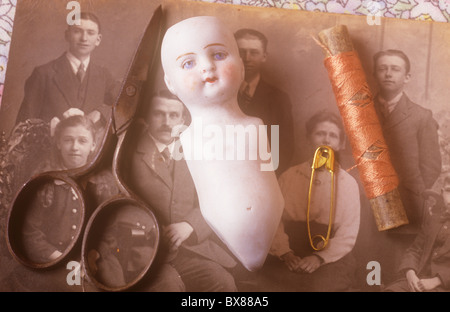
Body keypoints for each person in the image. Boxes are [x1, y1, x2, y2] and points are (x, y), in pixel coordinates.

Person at [160, 16, 284, 272]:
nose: (206, 67)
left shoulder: (256, 126)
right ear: (170, 83)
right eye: (188, 63)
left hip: (271, 238)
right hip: (214, 244)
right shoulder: (186, 139)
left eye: (218, 55)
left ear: (239, 65)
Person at [127, 91, 238, 292]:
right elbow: (119, 209)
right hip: (144, 253)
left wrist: (190, 226)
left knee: (223, 282)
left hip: (190, 250)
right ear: (146, 116)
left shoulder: (196, 153)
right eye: (158, 114)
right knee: (168, 286)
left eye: (173, 116)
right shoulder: (128, 155)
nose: (167, 122)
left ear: (183, 119)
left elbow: (215, 200)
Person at [266, 111, 360, 291]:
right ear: (309, 139)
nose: (326, 140)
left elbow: (347, 233)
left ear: (340, 144)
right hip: (290, 252)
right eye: (320, 133)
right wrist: (285, 253)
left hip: (331, 257)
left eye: (333, 136)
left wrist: (319, 258)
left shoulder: (347, 184)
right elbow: (273, 221)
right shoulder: (289, 176)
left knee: (318, 287)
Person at [372, 49, 442, 283]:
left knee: (396, 269)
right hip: (366, 203)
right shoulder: (360, 112)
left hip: (406, 206)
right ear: (375, 73)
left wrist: (416, 196)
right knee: (367, 262)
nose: (388, 74)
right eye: (382, 68)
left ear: (407, 77)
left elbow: (431, 166)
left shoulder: (421, 116)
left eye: (395, 69)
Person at [22, 108, 118, 264]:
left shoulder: (103, 184)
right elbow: (30, 233)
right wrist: (58, 257)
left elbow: (109, 232)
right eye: (68, 140)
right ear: (59, 144)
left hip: (91, 258)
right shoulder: (45, 181)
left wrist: (92, 256)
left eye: (82, 141)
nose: (74, 147)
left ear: (93, 145)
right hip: (50, 258)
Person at [15, 12, 119, 125]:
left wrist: (100, 112)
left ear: (98, 39)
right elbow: (23, 128)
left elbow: (125, 103)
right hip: (49, 142)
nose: (84, 38)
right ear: (67, 35)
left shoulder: (104, 76)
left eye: (90, 33)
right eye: (77, 31)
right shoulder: (43, 74)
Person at [234, 28, 294, 176]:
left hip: (262, 178)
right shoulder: (219, 93)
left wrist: (265, 179)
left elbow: (284, 149)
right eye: (241, 52)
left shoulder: (278, 99)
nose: (247, 58)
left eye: (254, 53)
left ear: (264, 56)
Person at [383, 174, 450, 292]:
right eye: (449, 191)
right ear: (442, 192)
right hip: (419, 279)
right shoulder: (434, 220)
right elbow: (415, 250)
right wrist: (410, 273)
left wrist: (436, 281)